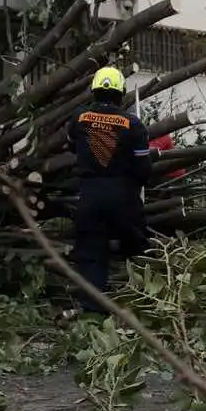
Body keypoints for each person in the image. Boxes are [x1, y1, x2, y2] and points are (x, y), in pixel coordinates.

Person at [67, 66, 153, 310]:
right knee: (136, 248)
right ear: (121, 93)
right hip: (123, 197)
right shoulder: (133, 125)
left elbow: (72, 147)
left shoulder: (79, 119)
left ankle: (93, 310)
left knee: (91, 253)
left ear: (94, 91)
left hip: (90, 195)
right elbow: (143, 169)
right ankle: (141, 301)